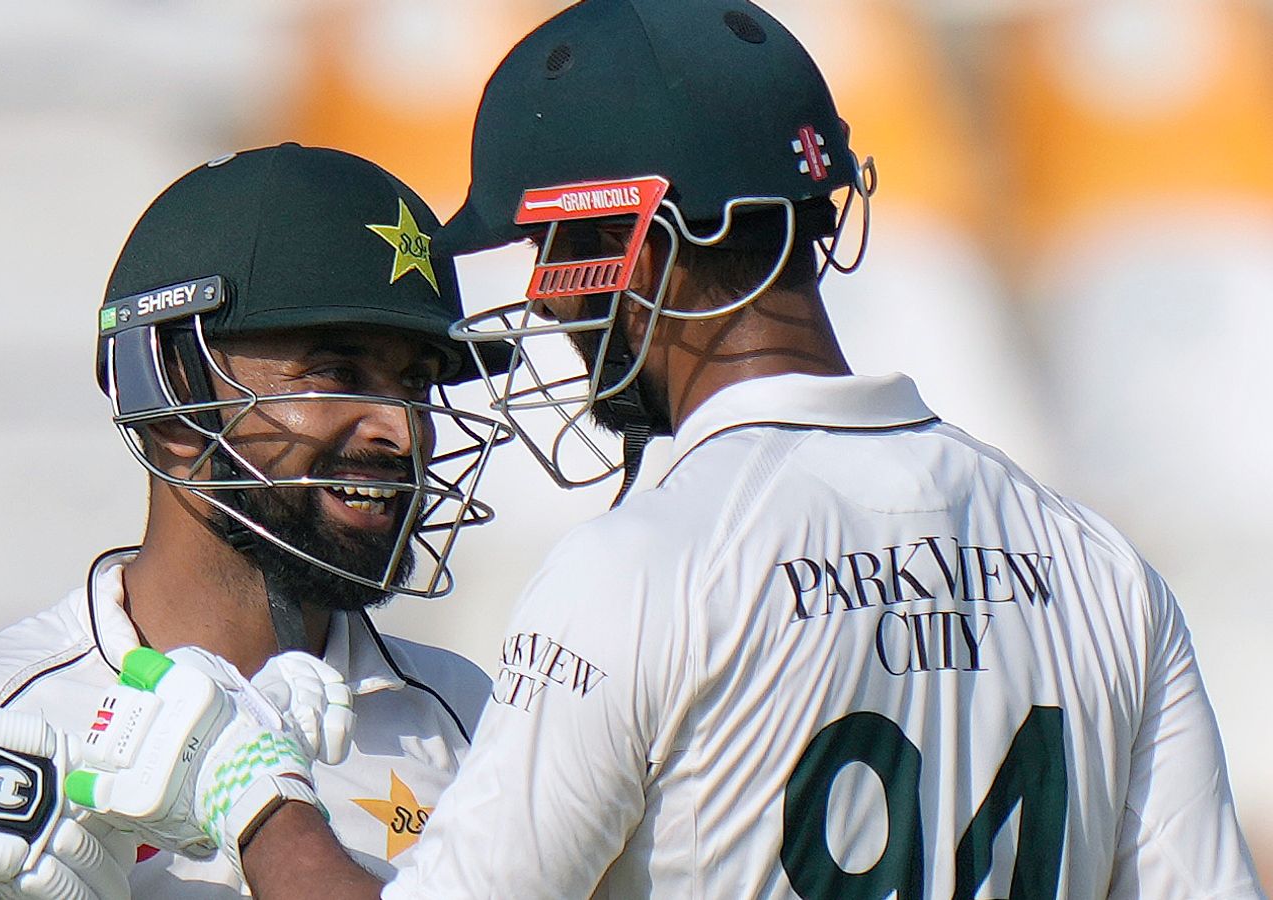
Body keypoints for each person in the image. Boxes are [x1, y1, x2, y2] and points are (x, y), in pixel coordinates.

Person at [86, 2, 1267, 897]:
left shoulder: (644, 568)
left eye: (552, 254)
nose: (545, 305)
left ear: (640, 251)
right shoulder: (1098, 565)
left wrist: (257, 796)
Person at [0, 142, 509, 899]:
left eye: (415, 383)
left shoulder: (471, 718)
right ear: (166, 387)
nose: (402, 430)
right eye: (339, 372)